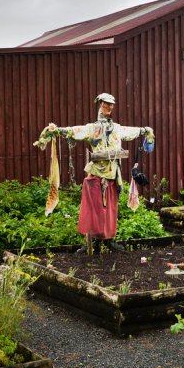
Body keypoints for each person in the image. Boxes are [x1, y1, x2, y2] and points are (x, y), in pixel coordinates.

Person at [34, 93, 155, 254]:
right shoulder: (92, 128)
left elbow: (131, 131)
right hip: (96, 175)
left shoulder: (116, 128)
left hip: (112, 176)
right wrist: (56, 131)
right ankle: (90, 242)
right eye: (106, 104)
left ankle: (109, 240)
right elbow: (74, 131)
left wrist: (145, 130)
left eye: (111, 105)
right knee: (93, 211)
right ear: (100, 105)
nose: (109, 107)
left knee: (110, 210)